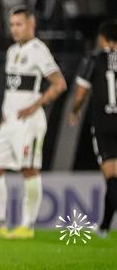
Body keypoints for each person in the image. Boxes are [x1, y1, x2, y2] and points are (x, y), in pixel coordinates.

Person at [0, 6, 67, 239]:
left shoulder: (39, 50)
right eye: (12, 25)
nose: (14, 29)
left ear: (31, 25)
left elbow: (59, 84)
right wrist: (6, 113)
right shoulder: (11, 51)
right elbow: (12, 89)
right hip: (9, 122)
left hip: (29, 122)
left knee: (29, 170)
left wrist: (36, 105)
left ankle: (27, 226)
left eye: (19, 24)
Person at [70, 20, 117, 237]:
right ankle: (105, 227)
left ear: (103, 39)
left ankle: (104, 227)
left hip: (104, 125)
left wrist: (75, 110)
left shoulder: (93, 59)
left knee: (112, 178)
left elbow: (80, 94)